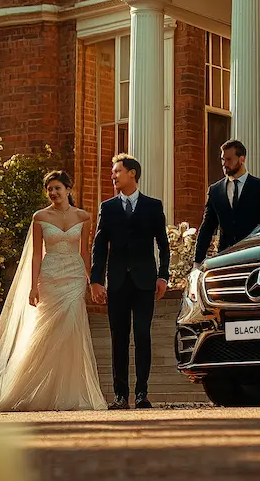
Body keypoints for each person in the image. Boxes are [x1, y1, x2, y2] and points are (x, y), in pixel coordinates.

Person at [0, 171, 107, 412]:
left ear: (68, 189)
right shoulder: (40, 216)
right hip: (50, 277)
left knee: (72, 329)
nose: (53, 193)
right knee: (46, 331)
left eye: (57, 188)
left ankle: (69, 392)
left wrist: (92, 281)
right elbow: (37, 254)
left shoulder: (84, 217)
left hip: (74, 278)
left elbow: (85, 253)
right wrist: (33, 286)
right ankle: (27, 386)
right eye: (50, 189)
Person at [90, 154, 170, 410]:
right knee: (119, 339)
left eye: (117, 171)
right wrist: (95, 280)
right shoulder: (108, 207)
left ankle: (142, 393)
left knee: (143, 336)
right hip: (117, 282)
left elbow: (163, 245)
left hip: (145, 281)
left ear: (132, 173)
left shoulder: (153, 206)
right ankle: (120, 395)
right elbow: (99, 246)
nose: (113, 176)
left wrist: (163, 276)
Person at [194, 139, 260, 267]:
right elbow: (207, 227)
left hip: (253, 256)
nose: (224, 164)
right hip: (225, 258)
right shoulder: (215, 190)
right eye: (222, 159)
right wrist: (197, 261)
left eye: (229, 159)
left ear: (242, 159)